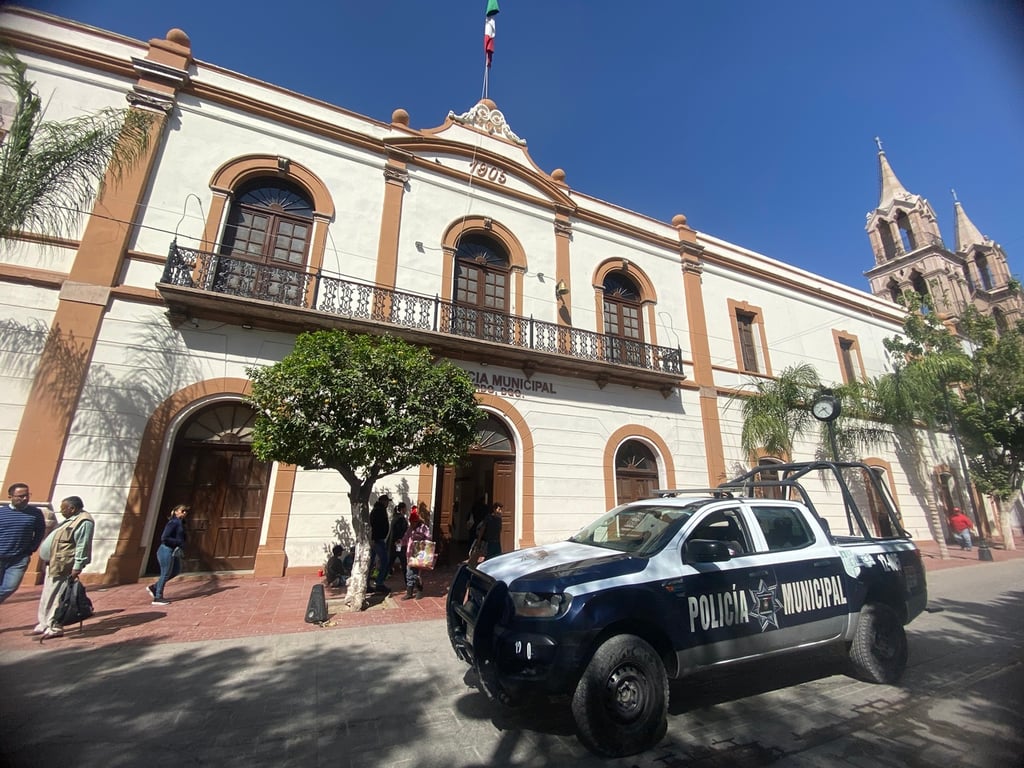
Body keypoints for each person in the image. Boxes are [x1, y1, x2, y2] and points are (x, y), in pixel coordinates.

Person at [35, 495, 94, 638]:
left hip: (64, 565)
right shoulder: (70, 520)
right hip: (54, 563)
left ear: (72, 508)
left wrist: (77, 566)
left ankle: (55, 626)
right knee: (47, 595)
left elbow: (82, 545)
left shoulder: (84, 522)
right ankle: (43, 624)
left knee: (58, 597)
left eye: (63, 508)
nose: (61, 511)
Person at [0, 483, 46, 604]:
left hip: (19, 558)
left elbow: (40, 532)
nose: (25, 498)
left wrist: (32, 548)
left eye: (27, 495)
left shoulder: (35, 513)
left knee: (10, 587)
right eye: (20, 496)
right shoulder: (2, 512)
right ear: (10, 496)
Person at [147, 504, 189, 605]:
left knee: (175, 570)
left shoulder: (180, 523)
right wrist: (178, 542)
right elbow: (164, 537)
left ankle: (154, 587)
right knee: (165, 573)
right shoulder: (173, 522)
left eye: (186, 511)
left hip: (174, 551)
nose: (184, 513)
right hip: (166, 550)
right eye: (182, 511)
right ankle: (158, 597)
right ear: (175, 511)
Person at [400, 508, 432, 600]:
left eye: (413, 522)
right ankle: (409, 592)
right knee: (409, 573)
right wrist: (401, 542)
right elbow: (405, 538)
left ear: (417, 521)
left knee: (416, 574)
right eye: (411, 522)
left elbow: (429, 539)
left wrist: (420, 538)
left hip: (419, 555)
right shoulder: (410, 529)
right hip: (410, 555)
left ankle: (419, 590)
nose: (412, 524)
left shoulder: (424, 528)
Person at [369, 496, 391, 593]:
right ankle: (379, 583)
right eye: (387, 501)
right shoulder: (379, 511)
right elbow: (374, 526)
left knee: (371, 562)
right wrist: (374, 538)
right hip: (377, 540)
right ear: (383, 501)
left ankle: (367, 583)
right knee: (385, 561)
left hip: (376, 539)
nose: (388, 503)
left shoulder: (378, 510)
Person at [388, 502, 409, 575]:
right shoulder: (400, 519)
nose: (406, 509)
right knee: (403, 562)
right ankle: (408, 583)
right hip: (398, 543)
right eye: (405, 508)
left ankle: (380, 580)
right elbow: (400, 532)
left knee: (390, 562)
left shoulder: (395, 517)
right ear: (402, 509)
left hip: (395, 543)